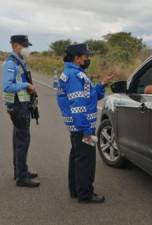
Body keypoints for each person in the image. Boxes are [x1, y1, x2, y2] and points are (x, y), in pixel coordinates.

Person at [56, 43, 113, 203]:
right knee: (85, 161)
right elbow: (78, 104)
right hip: (82, 126)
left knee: (77, 157)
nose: (88, 59)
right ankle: (85, 193)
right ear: (77, 58)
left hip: (77, 126)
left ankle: (76, 190)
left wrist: (101, 85)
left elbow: (89, 96)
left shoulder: (74, 73)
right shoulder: (75, 76)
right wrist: (86, 129)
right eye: (86, 56)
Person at [2, 35, 40, 188]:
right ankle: (21, 178)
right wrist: (26, 85)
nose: (27, 49)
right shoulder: (11, 63)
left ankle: (20, 171)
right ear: (15, 46)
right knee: (22, 141)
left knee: (18, 139)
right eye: (25, 46)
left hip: (22, 105)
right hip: (18, 106)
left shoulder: (19, 61)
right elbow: (7, 86)